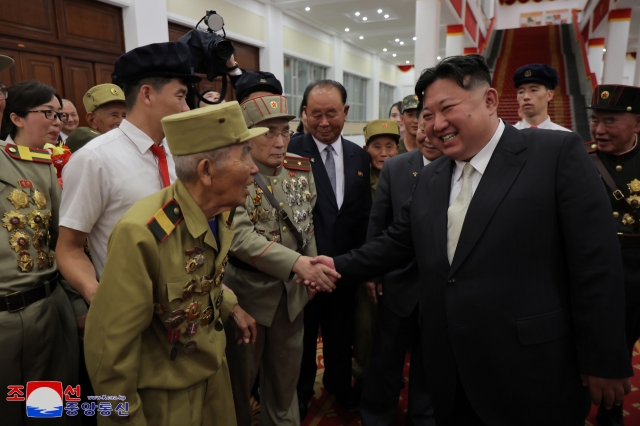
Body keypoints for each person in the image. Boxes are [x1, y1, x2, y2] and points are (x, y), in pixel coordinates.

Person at [313, 54, 631, 426]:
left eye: (447, 108)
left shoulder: (554, 154)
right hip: (450, 364)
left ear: (490, 100)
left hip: (530, 368)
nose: (436, 125)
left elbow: (596, 262)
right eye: (427, 115)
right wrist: (335, 265)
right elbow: (397, 242)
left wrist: (604, 358)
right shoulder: (433, 177)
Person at [85, 101, 261, 425]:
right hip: (167, 401)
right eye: (245, 154)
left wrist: (230, 305)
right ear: (207, 171)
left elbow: (197, 280)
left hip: (213, 377)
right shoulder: (142, 233)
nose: (255, 168)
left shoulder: (218, 212)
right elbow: (109, 351)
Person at [224, 71, 338, 426]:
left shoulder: (300, 171)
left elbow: (306, 226)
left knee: (285, 386)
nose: (280, 141)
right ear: (246, 135)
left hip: (292, 299)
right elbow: (240, 238)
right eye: (268, 132)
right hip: (248, 298)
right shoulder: (232, 174)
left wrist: (313, 270)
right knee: (238, 387)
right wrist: (298, 265)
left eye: (285, 131)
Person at [57, 41, 200, 306]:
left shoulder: (177, 152)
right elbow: (69, 247)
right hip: (133, 306)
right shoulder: (94, 159)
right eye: (180, 96)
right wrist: (94, 293)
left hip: (188, 301)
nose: (185, 108)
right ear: (147, 95)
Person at [0, 78, 86, 425]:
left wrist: (77, 303)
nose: (56, 121)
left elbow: (59, 243)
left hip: (49, 309)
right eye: (46, 113)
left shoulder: (39, 166)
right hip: (4, 322)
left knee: (49, 411)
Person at [289, 80, 372, 417]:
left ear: (346, 113)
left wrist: (359, 265)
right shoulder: (291, 151)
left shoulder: (359, 156)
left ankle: (339, 385)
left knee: (341, 334)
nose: (324, 122)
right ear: (305, 114)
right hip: (304, 270)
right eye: (316, 114)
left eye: (332, 114)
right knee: (304, 339)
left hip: (343, 268)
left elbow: (362, 214)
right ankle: (302, 391)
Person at [359, 115, 442, 426]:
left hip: (441, 287)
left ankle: (423, 416)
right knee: (385, 358)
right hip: (398, 282)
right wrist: (372, 273)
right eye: (423, 129)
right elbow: (378, 224)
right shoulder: (396, 167)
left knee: (430, 360)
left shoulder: (463, 165)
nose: (429, 137)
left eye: (437, 131)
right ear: (414, 130)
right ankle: (376, 415)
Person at [584, 84, 640, 426]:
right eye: (594, 120)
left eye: (610, 121)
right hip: (597, 274)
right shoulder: (579, 162)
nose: (599, 130)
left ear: (637, 124)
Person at [352, 119, 400, 399]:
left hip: (396, 264)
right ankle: (363, 375)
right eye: (377, 146)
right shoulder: (359, 180)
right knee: (365, 325)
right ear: (366, 148)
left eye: (390, 146)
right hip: (367, 261)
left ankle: (389, 375)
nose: (384, 153)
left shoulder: (406, 174)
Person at [65, 83, 127, 153]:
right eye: (114, 115)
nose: (121, 122)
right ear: (91, 120)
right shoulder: (87, 152)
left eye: (124, 116)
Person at [513, 64, 570, 131]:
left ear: (549, 95)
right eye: (521, 92)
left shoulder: (565, 137)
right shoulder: (506, 136)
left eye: (533, 90)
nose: (526, 97)